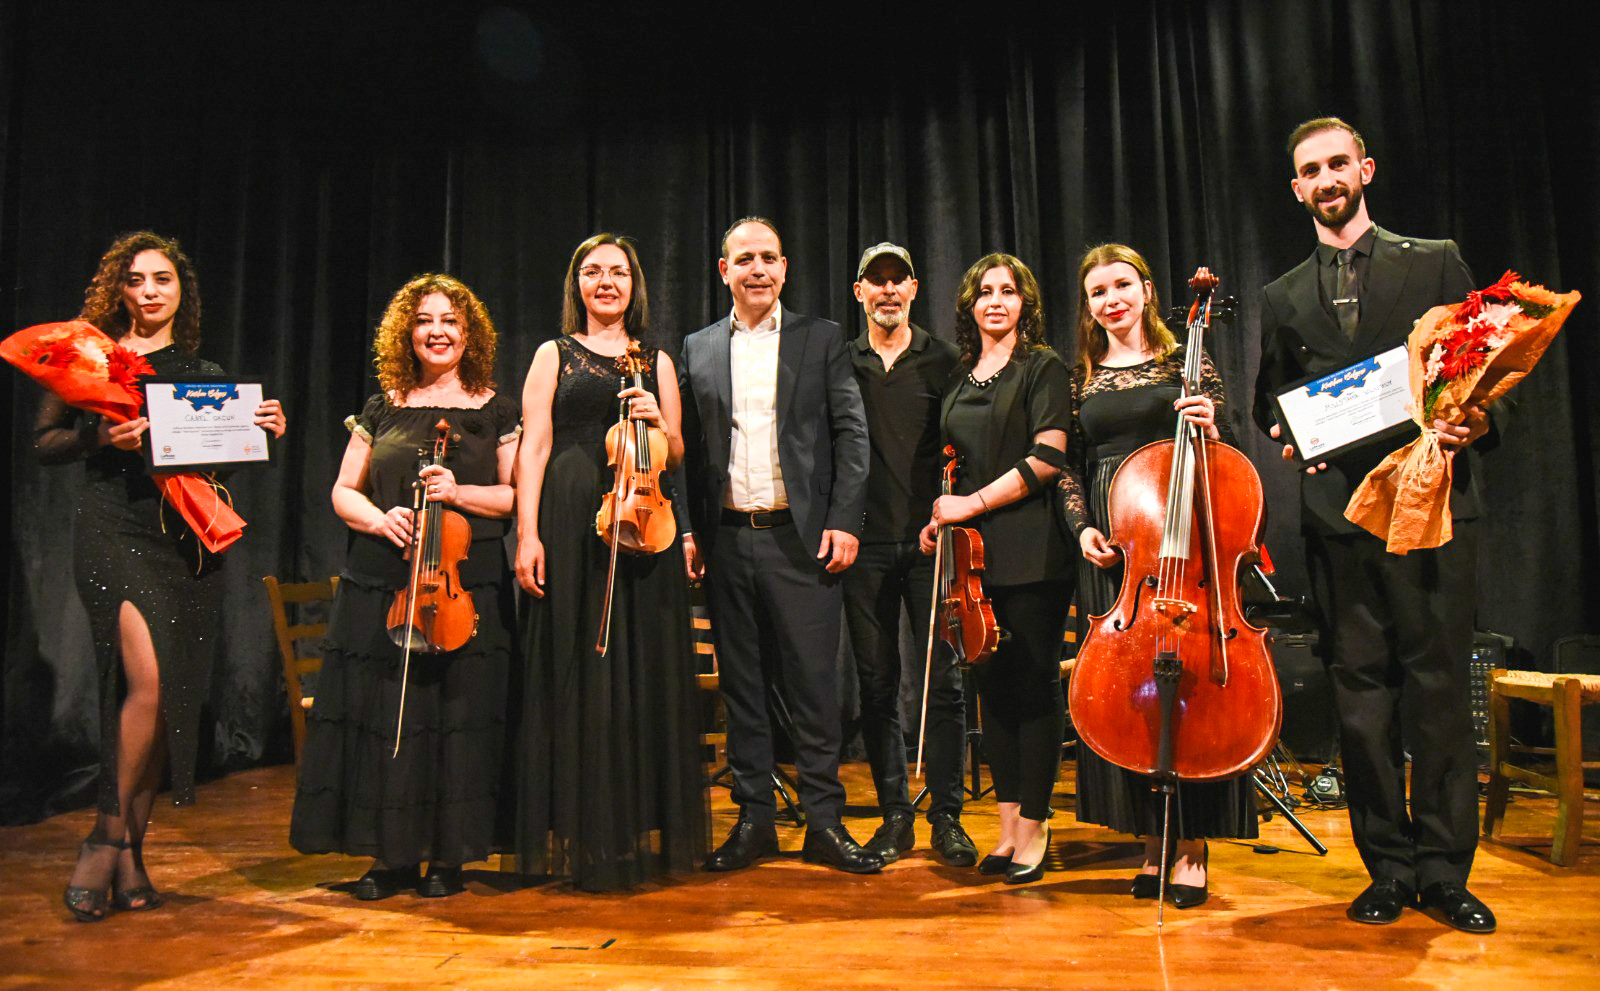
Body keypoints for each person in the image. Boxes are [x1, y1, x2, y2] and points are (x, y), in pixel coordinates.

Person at [1252, 117, 1494, 933]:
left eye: (1337, 163)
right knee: (1361, 699)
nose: (1326, 178)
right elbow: (1271, 401)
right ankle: (1387, 867)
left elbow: (1483, 370)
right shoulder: (1282, 294)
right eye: (1310, 170)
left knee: (1439, 692)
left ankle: (1446, 871)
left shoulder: (1435, 260)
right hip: (1339, 521)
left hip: (1434, 507)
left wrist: (1474, 421)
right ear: (1297, 188)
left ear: (1366, 169)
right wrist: (1292, 435)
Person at [38, 232, 287, 922]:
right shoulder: (92, 359)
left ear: (183, 290)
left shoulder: (203, 370)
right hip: (112, 527)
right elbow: (44, 442)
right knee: (146, 683)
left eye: (162, 279)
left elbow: (210, 465)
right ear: (118, 290)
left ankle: (132, 853)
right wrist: (98, 437)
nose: (149, 291)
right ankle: (103, 837)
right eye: (136, 280)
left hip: (180, 540)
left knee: (168, 695)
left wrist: (259, 432)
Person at [289, 274, 518, 901]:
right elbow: (343, 491)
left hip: (465, 583)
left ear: (469, 334)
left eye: (450, 321)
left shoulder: (496, 409)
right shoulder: (381, 406)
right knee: (387, 715)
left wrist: (458, 492)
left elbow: (516, 496)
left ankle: (448, 855)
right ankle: (390, 857)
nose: (437, 332)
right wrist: (378, 518)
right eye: (424, 321)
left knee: (456, 717)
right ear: (406, 333)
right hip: (383, 580)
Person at [676, 217, 880, 874]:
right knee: (743, 690)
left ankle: (823, 822)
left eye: (768, 257)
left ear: (785, 268)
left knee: (815, 687)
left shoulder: (821, 338)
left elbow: (852, 435)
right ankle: (754, 821)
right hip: (727, 540)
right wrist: (688, 528)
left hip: (802, 540)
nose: (757, 269)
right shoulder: (698, 346)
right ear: (724, 270)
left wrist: (845, 520)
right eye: (745, 259)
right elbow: (685, 452)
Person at [1058, 243, 1258, 909]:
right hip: (1119, 546)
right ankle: (1150, 839)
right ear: (1088, 306)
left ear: (1146, 290)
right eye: (1097, 291)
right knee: (1127, 694)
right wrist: (1081, 526)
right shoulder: (1081, 378)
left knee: (1190, 692)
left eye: (1121, 285)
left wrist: (1212, 425)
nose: (1110, 299)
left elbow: (1227, 454)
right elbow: (1069, 463)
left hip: (1184, 540)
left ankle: (1193, 844)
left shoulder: (1186, 363)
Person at [511, 233, 707, 891]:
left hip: (641, 524)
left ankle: (628, 827)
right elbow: (534, 447)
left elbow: (677, 452)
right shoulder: (552, 354)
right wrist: (527, 533)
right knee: (576, 665)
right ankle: (578, 826)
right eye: (592, 271)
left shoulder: (657, 360)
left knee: (637, 669)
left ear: (634, 284)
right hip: (569, 523)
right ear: (578, 284)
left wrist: (659, 419)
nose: (605, 281)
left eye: (617, 272)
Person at [917, 252, 1072, 885]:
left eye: (1008, 291)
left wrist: (972, 504)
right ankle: (1007, 826)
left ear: (1024, 303)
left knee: (1032, 686)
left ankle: (1035, 824)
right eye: (985, 292)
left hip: (1033, 550)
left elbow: (1048, 459)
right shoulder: (959, 377)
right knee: (992, 691)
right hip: (973, 560)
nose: (996, 302)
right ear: (970, 306)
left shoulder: (1043, 367)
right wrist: (941, 518)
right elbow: (953, 466)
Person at [842, 242, 974, 866]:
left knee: (943, 683)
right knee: (876, 685)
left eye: (899, 279)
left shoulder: (946, 360)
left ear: (915, 288)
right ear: (860, 291)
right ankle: (896, 813)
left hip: (931, 543)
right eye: (878, 280)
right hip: (863, 546)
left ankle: (947, 815)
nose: (889, 290)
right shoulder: (842, 362)